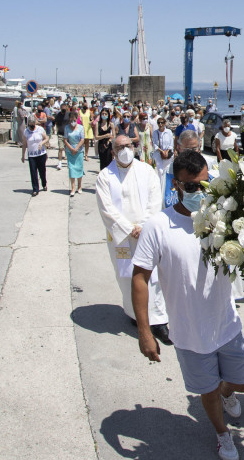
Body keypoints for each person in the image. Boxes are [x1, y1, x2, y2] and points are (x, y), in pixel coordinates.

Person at [132, 151, 244, 460]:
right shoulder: (158, 226)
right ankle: (222, 434)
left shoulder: (223, 218)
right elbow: (140, 278)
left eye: (204, 184)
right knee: (207, 391)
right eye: (191, 186)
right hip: (189, 334)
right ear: (176, 185)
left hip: (227, 325)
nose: (199, 192)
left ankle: (227, 392)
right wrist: (145, 332)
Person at [95, 134, 169, 340]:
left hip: (146, 233)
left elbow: (155, 200)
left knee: (153, 276)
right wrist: (129, 228)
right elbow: (106, 208)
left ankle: (159, 320)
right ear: (113, 152)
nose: (125, 150)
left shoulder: (146, 170)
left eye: (128, 145)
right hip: (122, 236)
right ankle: (134, 313)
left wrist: (143, 225)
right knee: (127, 276)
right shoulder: (104, 176)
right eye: (120, 147)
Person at [23, 116, 50, 196]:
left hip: (41, 154)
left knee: (42, 171)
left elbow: (46, 138)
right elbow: (24, 144)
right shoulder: (26, 131)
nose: (32, 125)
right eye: (30, 124)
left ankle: (44, 184)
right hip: (31, 155)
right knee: (33, 172)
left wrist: (42, 143)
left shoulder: (40, 129)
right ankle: (35, 189)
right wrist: (23, 155)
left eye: (33, 123)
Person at [64, 112, 85, 196]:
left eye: (74, 119)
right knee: (71, 169)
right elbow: (65, 139)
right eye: (71, 119)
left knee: (79, 168)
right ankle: (73, 187)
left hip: (79, 151)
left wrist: (76, 148)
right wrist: (71, 148)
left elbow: (82, 139)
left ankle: (79, 186)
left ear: (77, 119)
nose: (73, 120)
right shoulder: (67, 128)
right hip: (70, 151)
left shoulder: (81, 128)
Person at [151, 117, 174, 183]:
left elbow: (171, 143)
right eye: (159, 123)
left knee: (166, 170)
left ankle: (165, 184)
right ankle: (160, 185)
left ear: (165, 123)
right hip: (158, 153)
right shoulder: (155, 132)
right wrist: (162, 151)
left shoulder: (169, 132)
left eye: (162, 123)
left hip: (167, 153)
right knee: (160, 171)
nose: (160, 124)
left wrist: (166, 151)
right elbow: (154, 144)